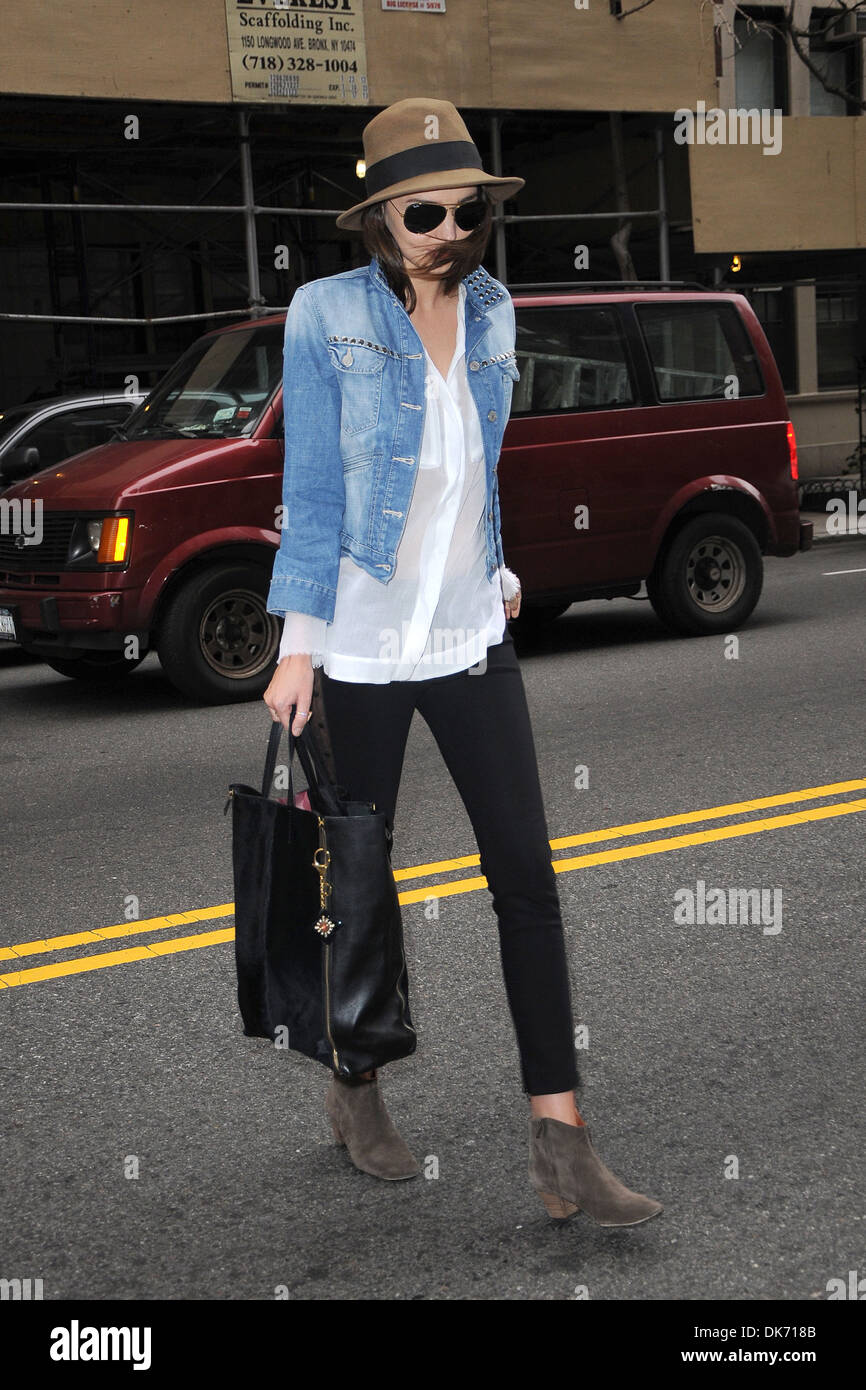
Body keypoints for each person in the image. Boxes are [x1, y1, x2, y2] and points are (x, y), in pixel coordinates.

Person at [262, 97, 662, 1227]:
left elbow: (474, 467)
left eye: (466, 208)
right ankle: (355, 1088)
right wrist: (297, 647)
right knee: (361, 889)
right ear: (380, 218)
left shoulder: (491, 310)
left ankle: (561, 1142)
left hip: (466, 641)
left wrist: (491, 572)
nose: (448, 229)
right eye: (423, 210)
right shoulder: (324, 312)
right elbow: (316, 491)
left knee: (527, 883)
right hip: (355, 647)